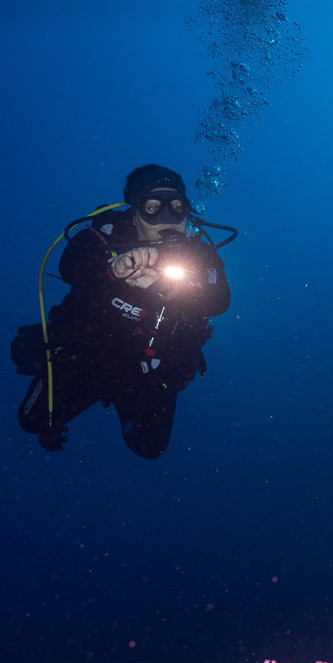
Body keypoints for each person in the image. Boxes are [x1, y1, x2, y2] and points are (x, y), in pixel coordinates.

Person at [13, 164, 231, 458]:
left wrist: (175, 292)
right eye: (153, 207)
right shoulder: (106, 234)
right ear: (134, 210)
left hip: (148, 372)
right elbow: (69, 266)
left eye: (177, 207)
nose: (167, 217)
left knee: (150, 447)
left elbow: (219, 301)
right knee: (31, 422)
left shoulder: (201, 254)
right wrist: (112, 271)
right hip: (85, 358)